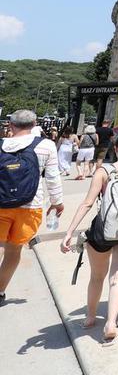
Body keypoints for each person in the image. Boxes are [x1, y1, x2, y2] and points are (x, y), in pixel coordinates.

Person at [58, 132, 118, 341]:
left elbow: (87, 203)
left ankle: (91, 317)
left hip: (103, 231)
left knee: (97, 277)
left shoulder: (104, 171)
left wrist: (68, 232)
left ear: (116, 148)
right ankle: (111, 322)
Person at [1, 109, 65, 307]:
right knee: (13, 251)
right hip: (30, 206)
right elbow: (53, 177)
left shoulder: (1, 144)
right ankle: (0, 290)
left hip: (1, 204)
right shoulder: (46, 145)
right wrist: (57, 202)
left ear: (11, 125)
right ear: (35, 124)